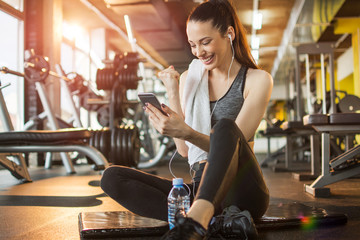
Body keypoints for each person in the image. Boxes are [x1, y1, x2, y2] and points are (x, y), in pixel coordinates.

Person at [100, 0, 273, 239]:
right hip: (200, 187)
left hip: (242, 191)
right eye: (193, 45)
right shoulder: (190, 79)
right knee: (112, 177)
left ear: (229, 34)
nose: (198, 52)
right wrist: (173, 91)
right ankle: (214, 221)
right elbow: (184, 150)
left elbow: (234, 146)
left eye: (205, 42)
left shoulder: (257, 80)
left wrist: (187, 132)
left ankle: (195, 219)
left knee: (225, 128)